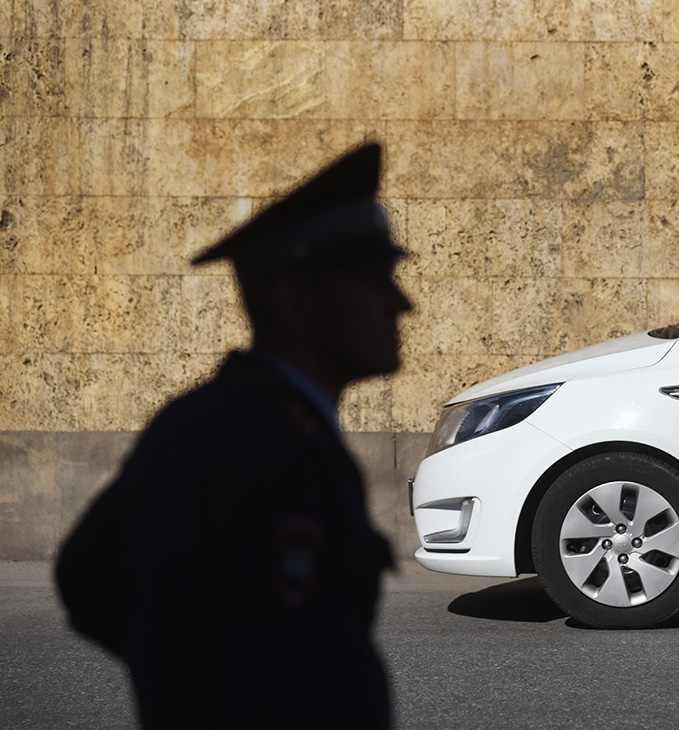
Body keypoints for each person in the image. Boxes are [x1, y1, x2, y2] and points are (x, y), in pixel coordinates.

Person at [55, 143, 412, 726]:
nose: (402, 303)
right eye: (375, 281)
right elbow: (89, 575)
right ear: (296, 301)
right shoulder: (246, 435)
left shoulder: (246, 422)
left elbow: (91, 575)